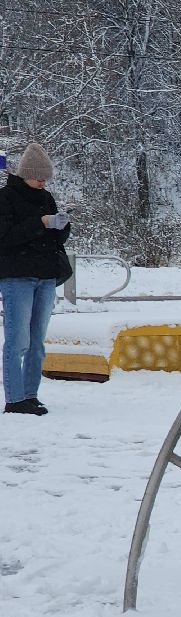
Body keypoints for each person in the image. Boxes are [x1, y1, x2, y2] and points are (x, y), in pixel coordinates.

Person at [0, 141, 71, 415]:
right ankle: (15, 398)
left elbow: (56, 240)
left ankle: (31, 394)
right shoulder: (5, 199)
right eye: (38, 178)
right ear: (24, 174)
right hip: (17, 275)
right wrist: (40, 223)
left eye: (46, 178)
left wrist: (61, 226)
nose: (43, 183)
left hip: (46, 274)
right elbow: (5, 238)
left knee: (36, 341)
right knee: (18, 340)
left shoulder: (47, 198)